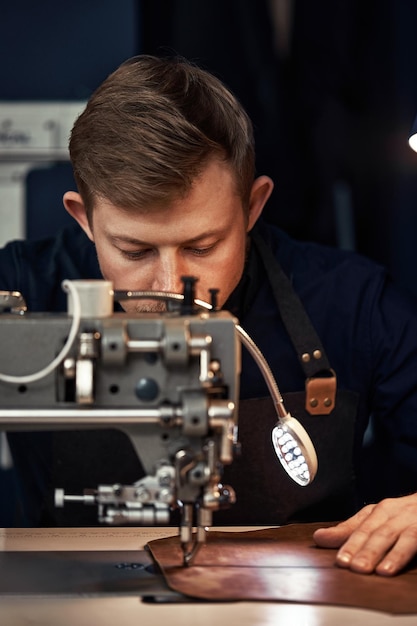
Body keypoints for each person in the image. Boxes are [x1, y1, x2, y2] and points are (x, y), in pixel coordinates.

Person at [1, 54, 417, 577]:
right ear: (84, 219)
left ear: (253, 207)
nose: (173, 289)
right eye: (134, 252)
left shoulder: (354, 303)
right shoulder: (23, 286)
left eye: (202, 247)